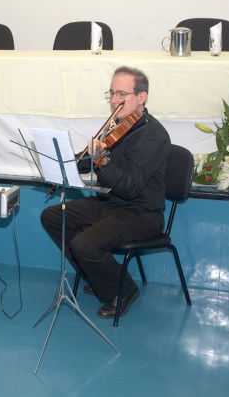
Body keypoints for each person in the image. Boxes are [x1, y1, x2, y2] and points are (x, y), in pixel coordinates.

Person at [40, 66, 170, 320]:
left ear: (141, 97)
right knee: (53, 217)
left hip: (141, 212)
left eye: (121, 94)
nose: (113, 100)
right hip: (111, 204)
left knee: (84, 243)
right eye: (111, 93)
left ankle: (123, 288)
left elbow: (131, 186)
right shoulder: (117, 126)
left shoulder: (154, 136)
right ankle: (99, 276)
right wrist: (74, 160)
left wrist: (103, 163)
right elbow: (86, 165)